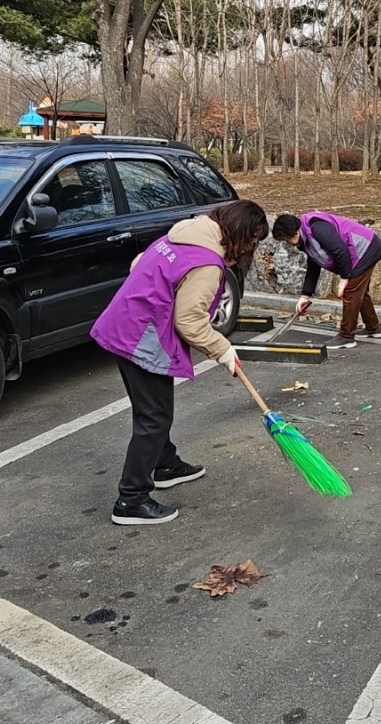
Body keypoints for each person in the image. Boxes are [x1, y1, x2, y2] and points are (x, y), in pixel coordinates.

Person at [91, 200, 269, 526]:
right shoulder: (207, 262)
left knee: (153, 411)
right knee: (154, 417)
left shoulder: (183, 235)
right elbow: (189, 320)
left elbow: (138, 264)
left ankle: (164, 464)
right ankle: (131, 500)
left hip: (123, 325)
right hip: (140, 339)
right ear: (241, 233)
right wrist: (223, 350)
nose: (253, 246)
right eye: (254, 239)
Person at [271, 211, 381, 350]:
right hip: (363, 249)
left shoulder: (316, 227)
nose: (287, 243)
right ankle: (374, 328)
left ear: (294, 233)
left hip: (365, 249)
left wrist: (344, 278)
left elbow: (340, 250)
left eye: (286, 239)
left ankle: (346, 337)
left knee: (351, 292)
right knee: (360, 293)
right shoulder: (306, 238)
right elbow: (313, 266)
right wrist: (305, 296)